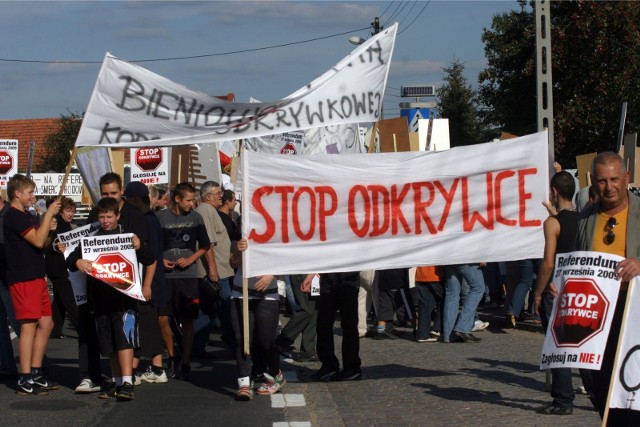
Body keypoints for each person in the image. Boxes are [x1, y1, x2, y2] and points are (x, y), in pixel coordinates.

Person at [67, 197, 156, 401]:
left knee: (124, 340)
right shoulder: (92, 239)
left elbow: (150, 258)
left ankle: (127, 382)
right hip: (99, 300)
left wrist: (139, 246)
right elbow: (72, 260)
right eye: (102, 216)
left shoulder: (127, 236)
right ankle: (117, 383)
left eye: (109, 216)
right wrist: (78, 261)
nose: (105, 220)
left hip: (125, 298)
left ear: (117, 216)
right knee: (109, 344)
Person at [576, 152, 640, 424]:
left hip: (633, 317)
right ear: (593, 182)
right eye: (602, 181)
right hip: (597, 315)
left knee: (632, 385)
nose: (609, 187)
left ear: (626, 178)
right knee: (596, 383)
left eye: (615, 179)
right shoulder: (586, 217)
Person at [533, 171, 591, 415]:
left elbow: (547, 264)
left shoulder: (552, 224)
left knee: (558, 346)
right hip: (579, 288)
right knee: (584, 345)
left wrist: (537, 293)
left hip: (556, 291)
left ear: (554, 192)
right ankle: (595, 394)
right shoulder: (584, 219)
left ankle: (563, 401)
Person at [3, 174, 61, 395]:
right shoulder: (13, 216)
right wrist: (47, 216)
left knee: (47, 324)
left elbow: (41, 243)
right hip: (23, 277)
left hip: (36, 274)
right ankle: (24, 377)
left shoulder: (26, 215)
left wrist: (50, 227)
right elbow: (37, 240)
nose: (33, 197)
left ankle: (35, 372)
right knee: (28, 326)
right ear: (17, 193)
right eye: (30, 192)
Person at [157, 182, 210, 381]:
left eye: (193, 199)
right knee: (163, 317)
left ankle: (185, 360)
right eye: (188, 200)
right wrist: (161, 260)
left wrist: (190, 259)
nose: (192, 203)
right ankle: (172, 355)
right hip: (166, 276)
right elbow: (152, 245)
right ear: (177, 199)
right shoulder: (160, 217)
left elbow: (205, 246)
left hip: (187, 276)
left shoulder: (196, 218)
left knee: (187, 319)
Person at [122, 182, 168, 385]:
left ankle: (156, 368)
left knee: (145, 324)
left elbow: (148, 255)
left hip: (147, 280)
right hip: (153, 278)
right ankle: (148, 367)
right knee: (146, 324)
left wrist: (146, 284)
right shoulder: (153, 219)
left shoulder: (146, 221)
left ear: (134, 200)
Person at [228, 238, 285, 400]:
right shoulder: (241, 238)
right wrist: (239, 250)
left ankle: (275, 374)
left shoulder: (276, 238)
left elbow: (287, 264)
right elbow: (233, 263)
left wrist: (271, 276)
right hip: (241, 294)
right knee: (242, 339)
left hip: (268, 296)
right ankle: (245, 382)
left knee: (265, 340)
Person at [195, 181, 236, 353]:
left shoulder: (211, 211)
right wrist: (213, 270)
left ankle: (196, 347)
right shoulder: (206, 211)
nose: (221, 195)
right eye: (218, 192)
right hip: (218, 271)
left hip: (221, 269)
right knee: (226, 307)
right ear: (207, 197)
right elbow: (208, 244)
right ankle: (237, 343)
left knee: (209, 311)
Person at [311, 271, 362, 381]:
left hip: (349, 281)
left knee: (349, 325)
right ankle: (329, 365)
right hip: (327, 281)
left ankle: (352, 367)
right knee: (323, 324)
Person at [45, 197, 79, 338]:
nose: (70, 214)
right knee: (70, 301)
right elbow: (52, 241)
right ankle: (84, 329)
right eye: (68, 210)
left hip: (58, 268)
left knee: (59, 301)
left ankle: (53, 330)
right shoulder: (58, 223)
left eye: (73, 211)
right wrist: (56, 246)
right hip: (58, 269)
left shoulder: (64, 223)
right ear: (61, 211)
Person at [276, 274, 318, 362]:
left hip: (314, 273)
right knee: (306, 310)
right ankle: (282, 341)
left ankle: (308, 351)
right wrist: (311, 275)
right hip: (306, 272)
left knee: (313, 311)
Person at [0, 192, 19, 378]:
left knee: (18, 322)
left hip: (9, 276)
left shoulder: (9, 214)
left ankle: (39, 364)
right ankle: (6, 365)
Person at [442, 264, 485, 343]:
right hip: (467, 258)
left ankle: (449, 335)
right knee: (478, 288)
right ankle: (463, 327)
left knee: (452, 294)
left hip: (449, 258)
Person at [415, 266, 444, 342]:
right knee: (445, 301)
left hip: (420, 275)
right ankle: (437, 328)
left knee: (424, 305)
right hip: (436, 275)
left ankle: (422, 334)